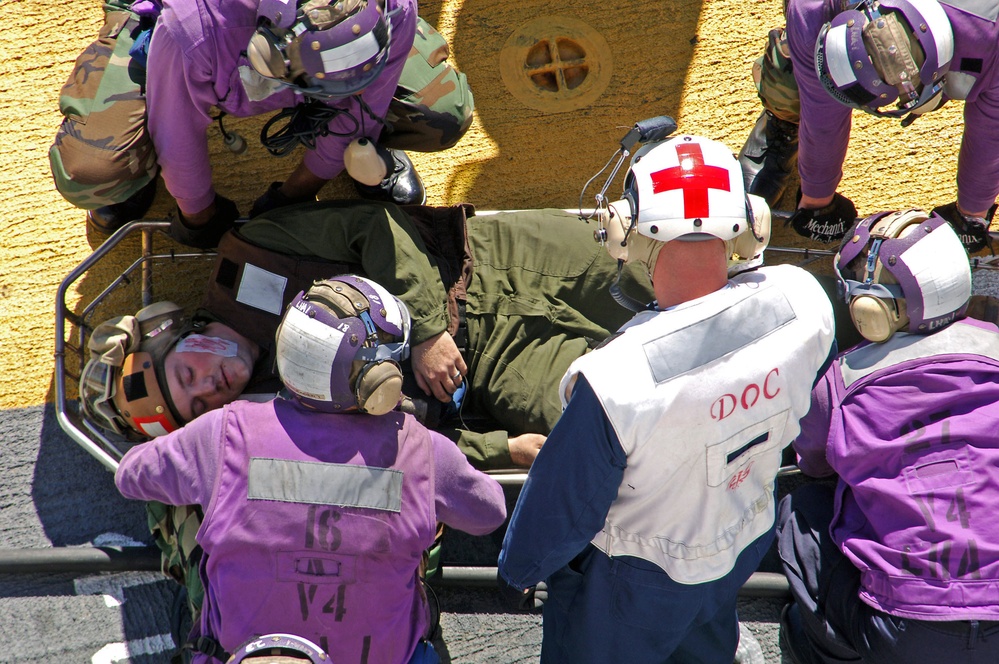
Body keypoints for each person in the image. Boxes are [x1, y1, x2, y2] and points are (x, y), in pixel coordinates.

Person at [497, 134, 836, 662]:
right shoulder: (803, 299)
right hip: (742, 537)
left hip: (634, 580)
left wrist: (520, 569)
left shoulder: (615, 378)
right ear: (750, 223)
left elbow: (562, 505)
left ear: (625, 232)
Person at [80, 201, 656, 470]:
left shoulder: (256, 248)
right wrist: (501, 450)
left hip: (496, 260)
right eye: (200, 403)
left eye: (188, 372)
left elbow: (376, 225)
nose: (213, 383)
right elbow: (391, 448)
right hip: (495, 368)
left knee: (674, 262)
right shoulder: (277, 418)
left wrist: (427, 331)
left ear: (172, 331)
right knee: (622, 419)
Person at [114, 274, 507, 664]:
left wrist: (196, 437)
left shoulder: (220, 434)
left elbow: (130, 475)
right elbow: (489, 513)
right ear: (379, 381)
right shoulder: (421, 448)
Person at [50, 0, 473, 246]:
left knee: (443, 113)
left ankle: (361, 149)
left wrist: (298, 192)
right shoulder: (194, 25)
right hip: (182, 29)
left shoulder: (389, 5)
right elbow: (177, 134)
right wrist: (199, 216)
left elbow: (365, 103)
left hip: (302, 45)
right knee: (92, 172)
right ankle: (133, 175)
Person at [776, 208, 999, 664]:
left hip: (903, 632)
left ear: (872, 309)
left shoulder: (839, 383)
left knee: (801, 509)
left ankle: (822, 652)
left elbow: (814, 465)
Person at [738, 0, 998, 251]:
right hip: (829, 21)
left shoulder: (990, 31)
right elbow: (822, 115)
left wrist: (972, 211)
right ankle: (784, 122)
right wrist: (816, 195)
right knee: (791, 70)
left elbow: (991, 133)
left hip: (976, 38)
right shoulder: (813, 8)